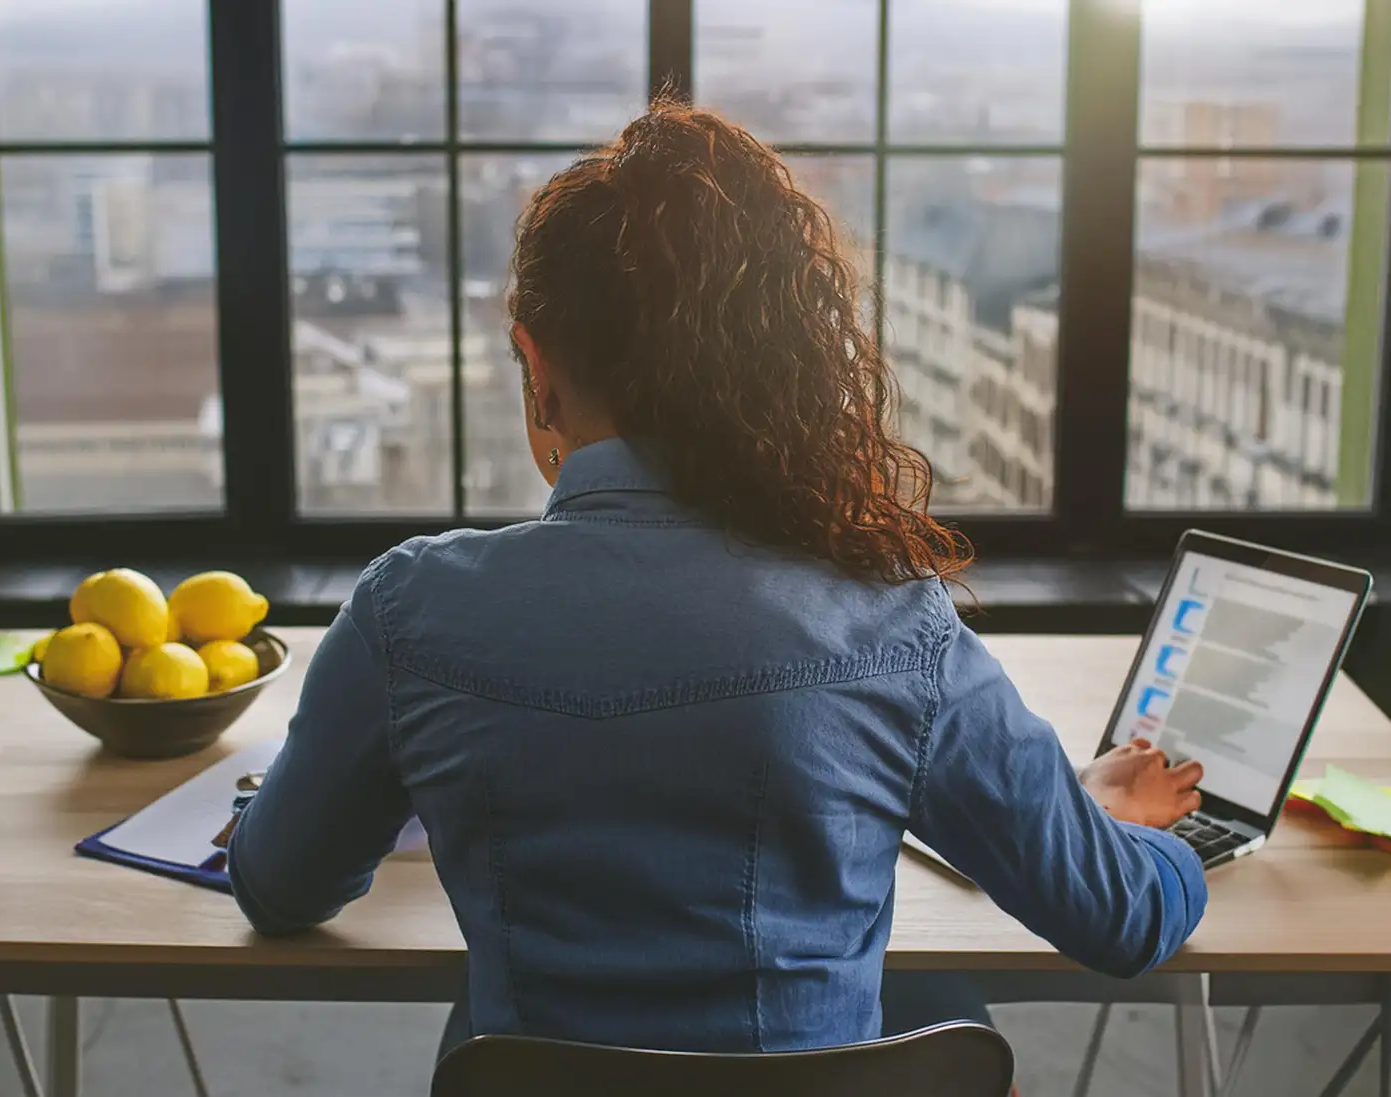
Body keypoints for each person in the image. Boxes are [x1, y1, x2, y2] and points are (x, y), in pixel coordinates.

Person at [228, 100, 1207, 1054]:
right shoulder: (891, 622)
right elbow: (1117, 920)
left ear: (537, 363)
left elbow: (278, 886)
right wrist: (1114, 826)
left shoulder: (411, 611)